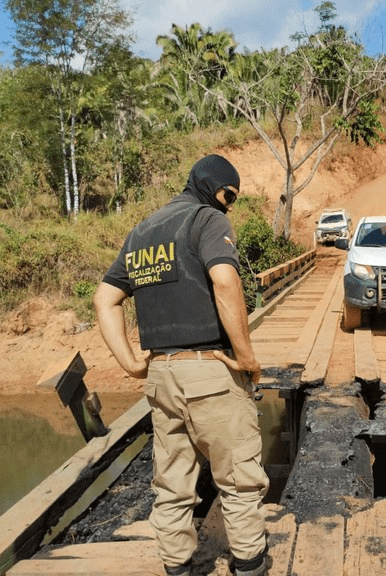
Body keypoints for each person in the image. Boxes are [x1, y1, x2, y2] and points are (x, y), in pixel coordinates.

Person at [93, 154, 269, 576]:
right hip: (209, 369)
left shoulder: (141, 232)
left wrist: (132, 362)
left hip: (161, 377)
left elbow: (104, 299)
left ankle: (177, 566)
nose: (230, 205)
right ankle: (248, 565)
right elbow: (226, 281)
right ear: (211, 185)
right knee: (240, 480)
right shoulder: (206, 219)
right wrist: (245, 356)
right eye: (230, 194)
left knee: (172, 484)